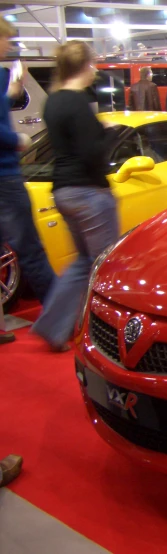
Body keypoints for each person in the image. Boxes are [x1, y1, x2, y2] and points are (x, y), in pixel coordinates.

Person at [31, 41, 119, 351]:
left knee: (83, 263)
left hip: (63, 190)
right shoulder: (78, 103)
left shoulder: (53, 101)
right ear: (86, 66)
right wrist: (108, 131)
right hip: (88, 192)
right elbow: (91, 154)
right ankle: (102, 337)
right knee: (105, 267)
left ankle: (52, 325)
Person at [0, 19, 55, 310]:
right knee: (31, 251)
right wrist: (17, 140)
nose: (8, 46)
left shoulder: (2, 75)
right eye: (6, 40)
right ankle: (59, 321)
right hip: (6, 175)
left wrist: (12, 89)